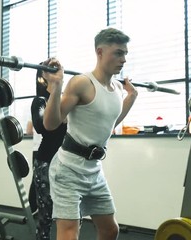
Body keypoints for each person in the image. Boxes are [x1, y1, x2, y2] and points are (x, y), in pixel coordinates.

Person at [42, 27, 138, 240]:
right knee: (69, 232)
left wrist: (131, 97)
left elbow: (109, 121)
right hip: (68, 169)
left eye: (125, 54)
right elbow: (51, 123)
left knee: (110, 230)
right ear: (100, 52)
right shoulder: (82, 83)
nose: (123, 59)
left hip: (94, 171)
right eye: (118, 53)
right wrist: (56, 85)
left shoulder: (117, 88)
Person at [30, 67, 67, 240]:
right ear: (43, 79)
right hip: (45, 162)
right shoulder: (39, 101)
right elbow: (40, 127)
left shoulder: (66, 101)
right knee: (46, 214)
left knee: (67, 213)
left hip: (66, 162)